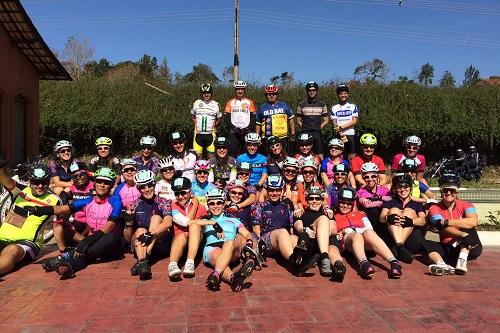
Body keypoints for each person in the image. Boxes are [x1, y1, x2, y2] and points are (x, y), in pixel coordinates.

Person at [27, 168, 123, 279]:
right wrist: (40, 210)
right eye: (99, 181)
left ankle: (63, 257)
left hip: (111, 247)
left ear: (111, 185)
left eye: (106, 182)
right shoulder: (89, 200)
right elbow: (64, 208)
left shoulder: (116, 201)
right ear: (94, 183)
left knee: (111, 237)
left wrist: (86, 241)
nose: (102, 185)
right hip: (93, 246)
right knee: (86, 256)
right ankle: (68, 267)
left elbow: (110, 226)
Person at [0, 160, 62, 276]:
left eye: (44, 182)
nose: (40, 186)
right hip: (2, 239)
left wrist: (63, 250)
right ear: (30, 181)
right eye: (36, 182)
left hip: (27, 244)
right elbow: (4, 178)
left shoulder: (55, 200)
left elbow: (58, 225)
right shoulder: (20, 191)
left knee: (12, 250)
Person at [189, 188, 256, 291]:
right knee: (220, 259)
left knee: (229, 242)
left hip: (231, 247)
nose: (215, 206)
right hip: (213, 247)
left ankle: (216, 274)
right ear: (208, 205)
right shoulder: (205, 220)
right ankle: (233, 278)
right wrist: (213, 223)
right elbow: (190, 223)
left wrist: (249, 242)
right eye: (212, 203)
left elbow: (247, 233)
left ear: (224, 204)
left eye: (219, 202)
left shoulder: (233, 220)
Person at [252, 175, 320, 276]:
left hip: (283, 239)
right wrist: (258, 249)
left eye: (278, 190)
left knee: (294, 238)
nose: (274, 193)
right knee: (282, 232)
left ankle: (301, 260)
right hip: (266, 241)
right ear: (267, 190)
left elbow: (291, 228)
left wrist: (292, 238)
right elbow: (256, 230)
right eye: (271, 190)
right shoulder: (260, 206)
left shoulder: (287, 206)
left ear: (282, 190)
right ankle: (295, 265)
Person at [334, 188, 403, 279]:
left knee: (369, 232)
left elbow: (368, 228)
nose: (345, 206)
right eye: (342, 202)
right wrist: (337, 234)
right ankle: (364, 264)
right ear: (338, 202)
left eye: (348, 204)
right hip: (349, 242)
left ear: (352, 204)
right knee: (355, 235)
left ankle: (394, 262)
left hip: (365, 242)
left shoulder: (360, 214)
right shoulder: (334, 217)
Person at [423, 174, 482, 276]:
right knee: (424, 243)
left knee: (470, 228)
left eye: (452, 190)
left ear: (457, 191)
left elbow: (473, 221)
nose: (449, 193)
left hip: (469, 247)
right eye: (446, 190)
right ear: (441, 191)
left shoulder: (467, 205)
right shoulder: (434, 208)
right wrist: (462, 235)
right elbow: (441, 227)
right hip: (448, 247)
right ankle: (442, 265)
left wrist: (447, 222)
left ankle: (461, 261)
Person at [293, 186, 346, 281]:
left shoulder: (328, 214)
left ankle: (339, 267)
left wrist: (323, 232)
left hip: (328, 240)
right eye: (311, 198)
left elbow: (334, 229)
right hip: (312, 242)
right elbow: (298, 227)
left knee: (333, 249)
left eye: (317, 198)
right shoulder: (301, 214)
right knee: (323, 219)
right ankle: (324, 259)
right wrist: (305, 230)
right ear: (307, 200)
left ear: (322, 200)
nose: (314, 201)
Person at [129, 170, 173, 280]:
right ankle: (144, 262)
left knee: (156, 218)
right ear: (138, 189)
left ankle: (142, 260)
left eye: (150, 185)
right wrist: (127, 222)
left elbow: (168, 223)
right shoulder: (135, 204)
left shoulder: (163, 201)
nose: (147, 189)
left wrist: (150, 233)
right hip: (139, 243)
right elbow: (127, 237)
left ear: (154, 184)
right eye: (143, 187)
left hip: (159, 241)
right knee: (140, 230)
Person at [379, 174, 427, 263]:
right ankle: (400, 247)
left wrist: (411, 221)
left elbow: (423, 220)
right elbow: (381, 218)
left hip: (410, 239)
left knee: (409, 211)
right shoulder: (390, 202)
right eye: (399, 187)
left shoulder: (417, 204)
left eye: (406, 186)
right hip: (391, 237)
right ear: (395, 189)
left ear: (410, 188)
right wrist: (388, 218)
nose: (403, 190)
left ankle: (398, 247)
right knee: (394, 210)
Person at [168, 177, 207, 280]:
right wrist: (195, 205)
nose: (180, 197)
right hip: (179, 241)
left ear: (190, 191)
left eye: (183, 193)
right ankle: (172, 265)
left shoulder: (202, 208)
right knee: (182, 235)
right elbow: (186, 222)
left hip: (196, 241)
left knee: (194, 226)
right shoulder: (173, 206)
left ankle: (190, 262)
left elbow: (204, 226)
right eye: (177, 194)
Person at [51, 161, 94, 255]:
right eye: (75, 176)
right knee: (58, 224)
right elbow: (57, 190)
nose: (78, 178)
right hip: (77, 223)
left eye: (81, 175)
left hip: (91, 223)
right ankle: (64, 249)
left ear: (87, 174)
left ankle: (83, 242)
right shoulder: (73, 188)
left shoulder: (94, 187)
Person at [256, 84, 296, 153]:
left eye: (273, 94)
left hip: (282, 138)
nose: (271, 95)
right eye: (269, 94)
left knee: (284, 157)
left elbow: (291, 119)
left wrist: (293, 133)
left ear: (277, 94)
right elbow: (258, 124)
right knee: (268, 159)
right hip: (266, 138)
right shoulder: (262, 107)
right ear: (266, 95)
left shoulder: (284, 105)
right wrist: (257, 137)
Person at [224, 80, 257, 158]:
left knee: (246, 154)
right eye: (238, 89)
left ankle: (245, 170)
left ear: (244, 90)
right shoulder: (230, 102)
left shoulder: (250, 102)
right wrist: (234, 128)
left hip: (246, 132)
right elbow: (226, 118)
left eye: (242, 89)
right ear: (235, 90)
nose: (240, 91)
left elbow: (253, 118)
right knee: (232, 153)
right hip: (234, 132)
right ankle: (233, 169)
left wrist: (248, 128)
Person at [356, 162, 391, 235]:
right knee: (373, 210)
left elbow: (391, 200)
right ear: (363, 178)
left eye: (373, 176)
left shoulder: (383, 189)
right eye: (366, 177)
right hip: (369, 220)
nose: (370, 179)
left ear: (377, 176)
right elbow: (367, 205)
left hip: (383, 220)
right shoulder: (361, 192)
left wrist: (376, 199)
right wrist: (381, 200)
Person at [296, 81, 329, 159]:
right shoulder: (301, 105)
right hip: (305, 132)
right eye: (310, 90)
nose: (312, 92)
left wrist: (318, 128)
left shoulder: (322, 104)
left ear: (316, 91)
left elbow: (326, 120)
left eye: (313, 90)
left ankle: (321, 170)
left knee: (320, 153)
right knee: (305, 153)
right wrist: (304, 128)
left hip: (317, 132)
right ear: (307, 91)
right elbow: (298, 120)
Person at [191, 83, 222, 159]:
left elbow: (220, 118)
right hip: (198, 134)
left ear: (211, 93)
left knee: (211, 159)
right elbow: (192, 116)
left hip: (210, 134)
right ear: (201, 93)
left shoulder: (216, 104)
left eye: (208, 93)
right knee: (197, 159)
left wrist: (215, 125)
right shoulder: (196, 103)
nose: (206, 95)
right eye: (204, 93)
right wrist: (195, 123)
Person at [329, 84, 359, 160]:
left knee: (352, 156)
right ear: (338, 95)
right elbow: (334, 122)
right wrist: (340, 132)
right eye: (341, 93)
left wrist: (341, 127)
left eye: (345, 93)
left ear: (348, 94)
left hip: (350, 134)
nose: (343, 95)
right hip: (339, 135)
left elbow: (354, 121)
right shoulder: (334, 108)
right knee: (339, 156)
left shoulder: (353, 106)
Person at [115, 159, 141, 244]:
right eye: (126, 170)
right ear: (122, 173)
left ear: (136, 171)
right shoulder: (119, 188)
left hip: (140, 215)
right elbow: (115, 205)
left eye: (132, 169)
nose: (129, 172)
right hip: (125, 216)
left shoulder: (141, 185)